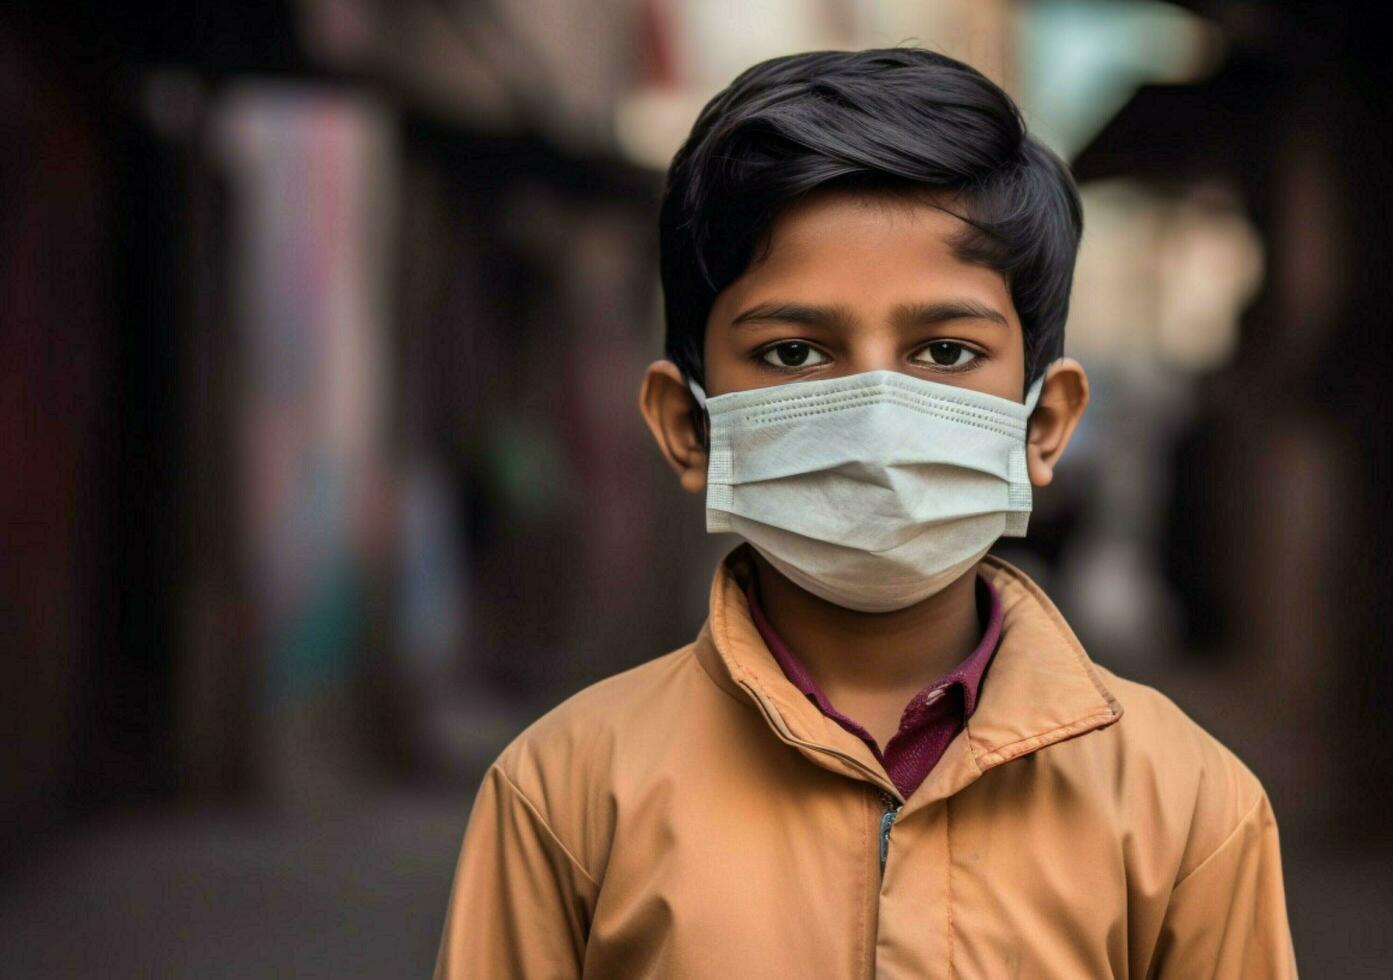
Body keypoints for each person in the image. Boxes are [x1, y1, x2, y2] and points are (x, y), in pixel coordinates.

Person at [434, 46, 1297, 978]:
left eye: (945, 352)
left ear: (1041, 423)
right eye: (796, 355)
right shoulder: (564, 795)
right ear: (689, 425)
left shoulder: (1189, 804)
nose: (876, 409)